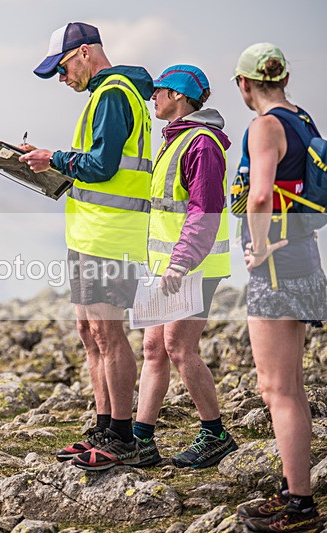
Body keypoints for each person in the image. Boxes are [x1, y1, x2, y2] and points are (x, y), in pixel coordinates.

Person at [20, 22, 154, 470]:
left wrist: (52, 158)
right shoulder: (104, 94)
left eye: (61, 69)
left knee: (108, 334)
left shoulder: (114, 93)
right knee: (89, 332)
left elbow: (100, 165)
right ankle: (103, 424)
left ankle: (122, 436)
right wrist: (53, 163)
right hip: (91, 233)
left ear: (83, 53)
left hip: (112, 236)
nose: (62, 79)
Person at [233, 43, 326, 532]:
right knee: (290, 387)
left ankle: (299, 506)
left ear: (244, 84)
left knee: (277, 389)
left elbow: (261, 193)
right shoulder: (303, 120)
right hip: (306, 259)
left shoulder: (264, 126)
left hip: (276, 269)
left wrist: (261, 246)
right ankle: (296, 494)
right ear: (284, 78)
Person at [131, 64, 238, 469]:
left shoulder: (202, 144)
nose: (153, 98)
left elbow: (205, 211)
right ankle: (140, 440)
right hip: (166, 266)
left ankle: (215, 435)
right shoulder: (174, 139)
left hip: (192, 266)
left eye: (158, 91)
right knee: (154, 347)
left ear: (178, 95)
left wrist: (180, 263)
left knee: (178, 347)